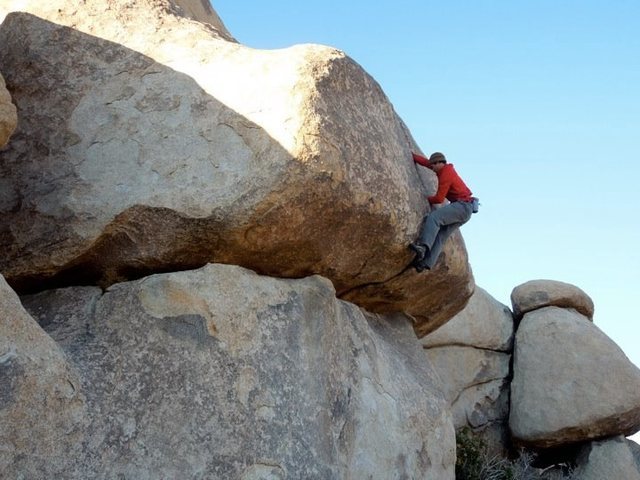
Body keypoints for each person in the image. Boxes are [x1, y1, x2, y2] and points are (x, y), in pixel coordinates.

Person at [409, 151, 477, 272]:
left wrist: (425, 198)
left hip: (462, 206)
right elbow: (426, 163)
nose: (432, 168)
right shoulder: (440, 168)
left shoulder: (446, 173)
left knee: (434, 218)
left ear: (440, 163)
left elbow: (439, 199)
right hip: (466, 210)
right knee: (441, 235)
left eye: (434, 165)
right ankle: (425, 263)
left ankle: (423, 247)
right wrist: (412, 155)